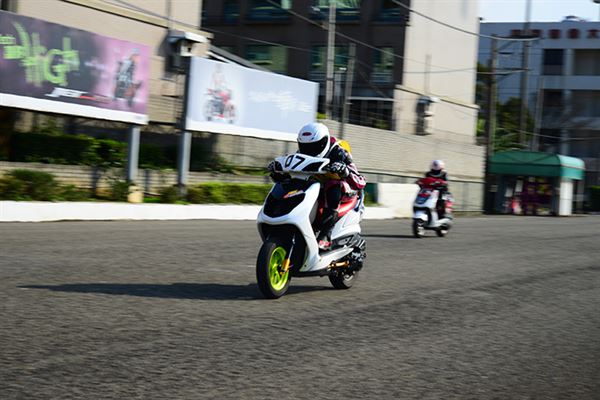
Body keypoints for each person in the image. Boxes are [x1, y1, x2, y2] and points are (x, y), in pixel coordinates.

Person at [268, 122, 366, 250]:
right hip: (318, 186)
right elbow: (292, 172)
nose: (309, 151)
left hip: (345, 190)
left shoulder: (339, 153)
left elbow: (360, 181)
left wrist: (344, 171)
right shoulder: (302, 153)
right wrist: (277, 171)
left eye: (314, 146)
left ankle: (326, 234)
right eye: (305, 146)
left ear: (324, 142)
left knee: (333, 184)